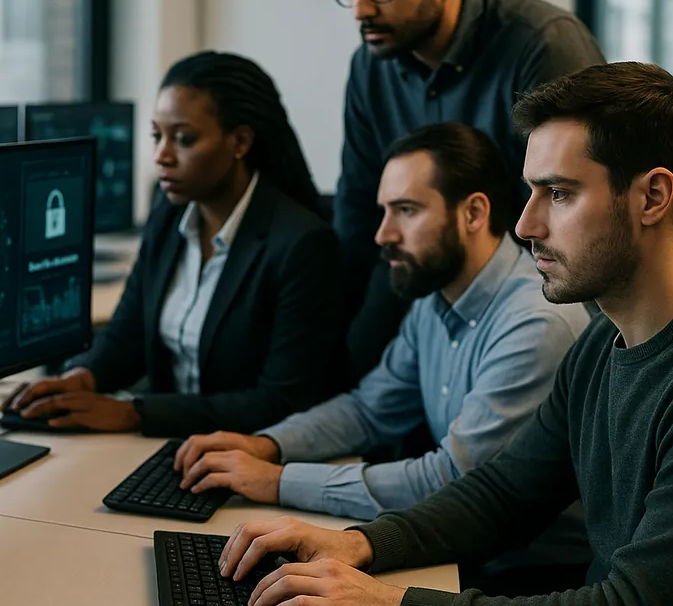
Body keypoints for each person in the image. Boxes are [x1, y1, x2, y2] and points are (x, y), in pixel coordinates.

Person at [215, 61, 673, 606]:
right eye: (532, 191)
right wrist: (361, 543)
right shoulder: (603, 341)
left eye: (559, 194)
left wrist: (389, 600)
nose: (525, 224)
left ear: (653, 197)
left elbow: (636, 602)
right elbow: (503, 495)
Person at [172, 122, 591, 590]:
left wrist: (275, 480)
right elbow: (369, 410)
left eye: (406, 211)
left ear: (473, 212)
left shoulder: (534, 324)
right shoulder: (436, 295)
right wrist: (265, 445)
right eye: (383, 212)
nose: (382, 234)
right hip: (456, 551)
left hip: (528, 575)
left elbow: (449, 478)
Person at [5, 51, 348, 438]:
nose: (161, 156)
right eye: (157, 135)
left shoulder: (302, 244)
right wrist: (85, 376)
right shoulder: (168, 216)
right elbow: (128, 331)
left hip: (248, 454)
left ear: (240, 142)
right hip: (168, 448)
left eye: (183, 139)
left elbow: (280, 402)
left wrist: (135, 413)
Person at [325, 0, 605, 379]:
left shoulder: (541, 44)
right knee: (345, 366)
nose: (361, 9)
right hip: (425, 277)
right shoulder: (369, 65)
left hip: (529, 287)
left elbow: (573, 203)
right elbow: (358, 205)